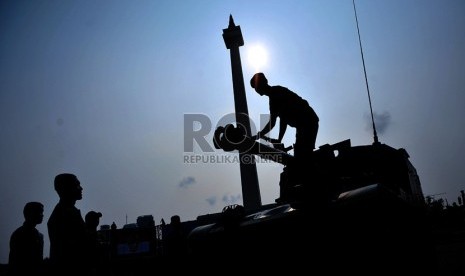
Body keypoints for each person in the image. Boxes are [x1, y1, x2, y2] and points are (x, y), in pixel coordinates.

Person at [250, 72, 319, 159]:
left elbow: (274, 122)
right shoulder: (274, 97)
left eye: (256, 87)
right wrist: (279, 140)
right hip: (304, 124)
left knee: (303, 156)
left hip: (307, 122)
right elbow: (283, 119)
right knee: (301, 154)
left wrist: (258, 136)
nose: (256, 90)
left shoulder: (276, 93)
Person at [47, 173, 88, 274]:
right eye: (77, 185)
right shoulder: (62, 215)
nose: (81, 188)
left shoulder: (69, 212)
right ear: (66, 188)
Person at [9, 202, 45, 275]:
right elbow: (15, 261)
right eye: (39, 212)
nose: (42, 215)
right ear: (31, 213)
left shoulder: (40, 236)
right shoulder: (19, 234)